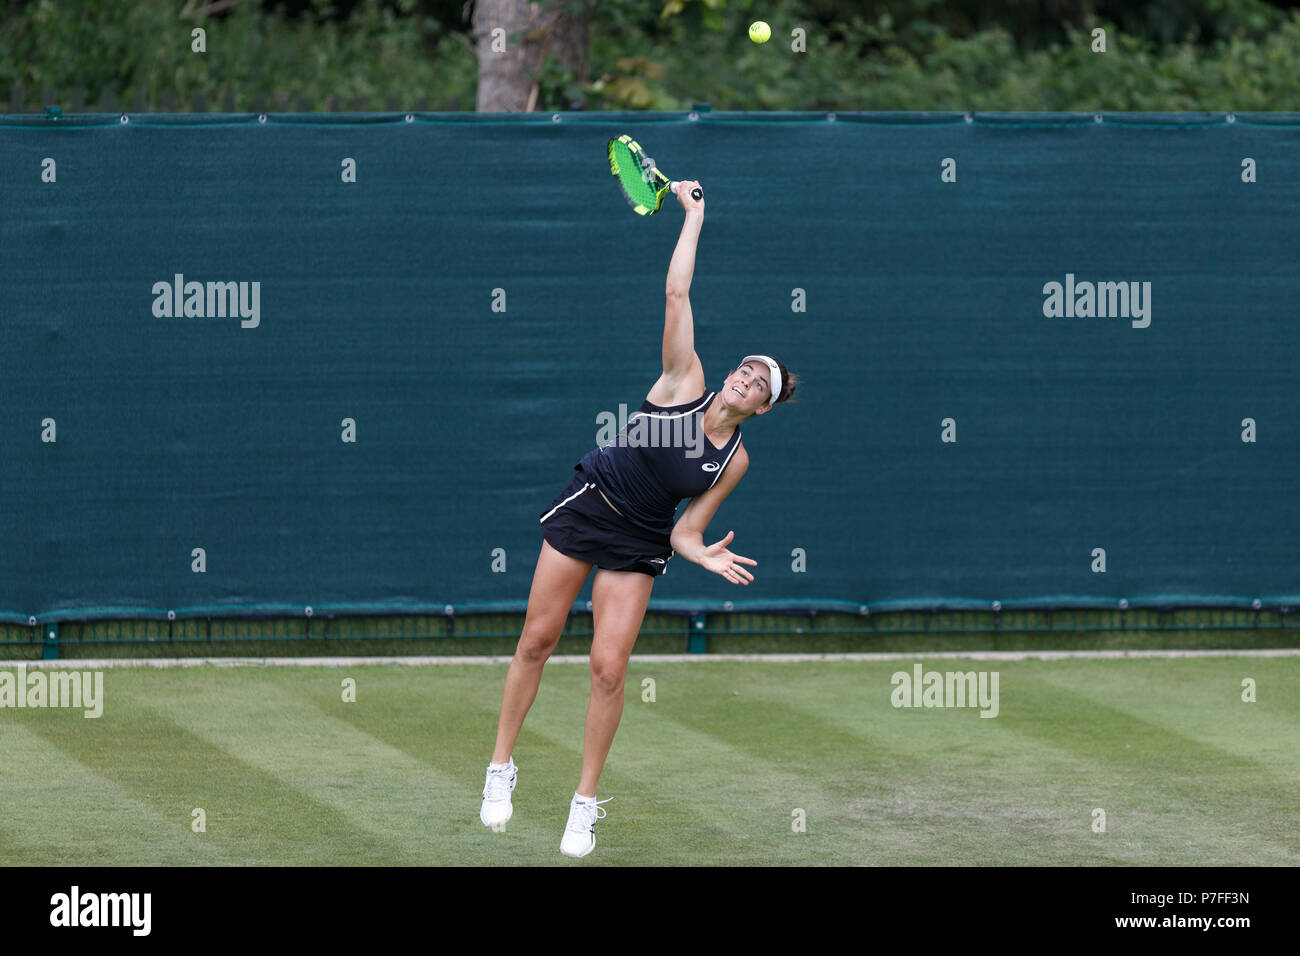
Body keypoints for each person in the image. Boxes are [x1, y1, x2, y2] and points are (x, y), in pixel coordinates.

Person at [480, 179, 798, 858]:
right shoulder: (685, 379)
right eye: (745, 368)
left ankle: (584, 804)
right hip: (592, 501)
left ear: (764, 408)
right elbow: (677, 294)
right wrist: (694, 217)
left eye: (759, 384)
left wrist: (701, 550)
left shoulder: (734, 461)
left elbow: (685, 527)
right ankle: (500, 768)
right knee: (537, 639)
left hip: (641, 539)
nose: (745, 379)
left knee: (607, 668)